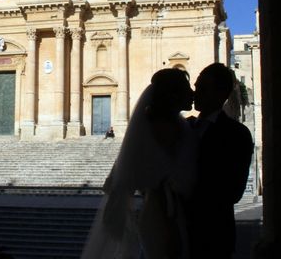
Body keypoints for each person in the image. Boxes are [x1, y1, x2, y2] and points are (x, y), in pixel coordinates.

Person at [82, 68, 197, 259]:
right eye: (186, 87)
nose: (192, 92)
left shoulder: (173, 125)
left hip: (161, 209)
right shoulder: (168, 129)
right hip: (164, 213)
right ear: (173, 94)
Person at [187, 63, 254, 259]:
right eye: (196, 86)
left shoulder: (237, 134)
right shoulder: (187, 127)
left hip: (212, 237)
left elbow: (233, 192)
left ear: (221, 93)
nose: (195, 93)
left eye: (202, 88)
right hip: (178, 236)